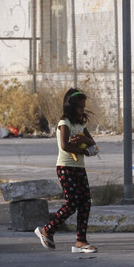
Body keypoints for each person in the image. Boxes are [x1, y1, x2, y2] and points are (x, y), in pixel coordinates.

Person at [34, 88, 99, 254]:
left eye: (83, 107)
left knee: (85, 203)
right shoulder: (65, 123)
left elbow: (92, 142)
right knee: (71, 203)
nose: (82, 110)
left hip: (79, 168)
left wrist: (85, 141)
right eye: (79, 107)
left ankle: (80, 241)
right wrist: (84, 150)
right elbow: (64, 145)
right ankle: (47, 230)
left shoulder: (80, 125)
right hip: (65, 167)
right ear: (71, 107)